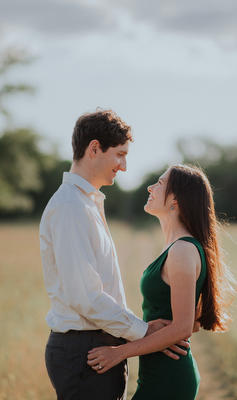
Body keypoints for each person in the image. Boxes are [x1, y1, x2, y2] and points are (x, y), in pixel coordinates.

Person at [39, 109, 187, 400]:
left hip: (92, 348)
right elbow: (85, 295)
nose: (124, 166)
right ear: (94, 149)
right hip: (84, 351)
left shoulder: (86, 204)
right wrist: (144, 331)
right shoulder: (72, 207)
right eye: (120, 154)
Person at [87, 164, 237, 400]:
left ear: (175, 199)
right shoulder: (176, 247)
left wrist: (119, 353)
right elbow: (193, 321)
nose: (150, 187)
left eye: (159, 183)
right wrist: (154, 329)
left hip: (169, 378)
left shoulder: (182, 250)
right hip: (158, 372)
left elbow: (183, 327)